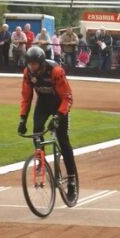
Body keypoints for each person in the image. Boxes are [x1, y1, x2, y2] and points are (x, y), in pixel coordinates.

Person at [18, 47, 77, 198]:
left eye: (34, 64)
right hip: (43, 103)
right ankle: (41, 161)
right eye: (29, 64)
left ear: (41, 63)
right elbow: (26, 97)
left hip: (59, 104)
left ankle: (71, 181)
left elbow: (68, 97)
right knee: (37, 130)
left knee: (63, 142)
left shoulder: (56, 71)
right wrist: (22, 118)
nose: (32, 67)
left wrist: (58, 116)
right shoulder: (27, 73)